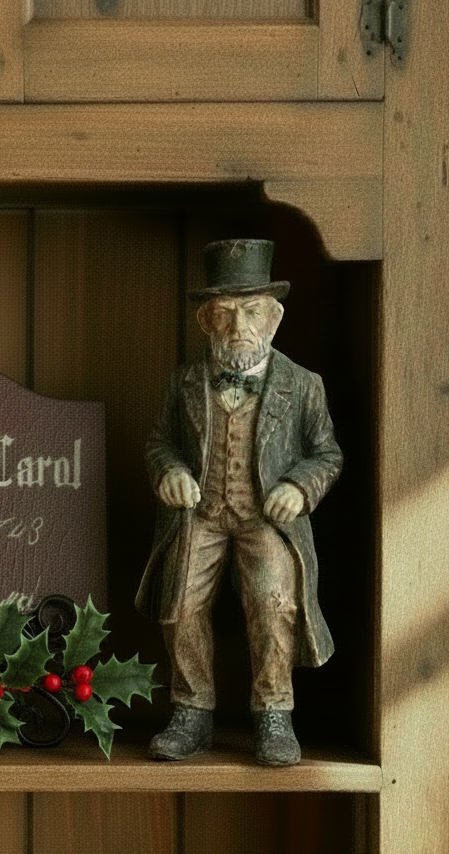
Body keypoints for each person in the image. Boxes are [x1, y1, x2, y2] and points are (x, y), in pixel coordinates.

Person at [135, 238, 342, 766]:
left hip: (265, 519)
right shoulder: (182, 382)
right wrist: (171, 471)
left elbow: (327, 454)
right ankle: (191, 710)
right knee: (179, 602)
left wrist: (298, 486)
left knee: (275, 604)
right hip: (199, 516)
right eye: (225, 313)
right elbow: (159, 442)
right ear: (206, 320)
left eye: (251, 312)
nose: (238, 327)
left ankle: (274, 712)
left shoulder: (303, 385)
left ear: (273, 318)